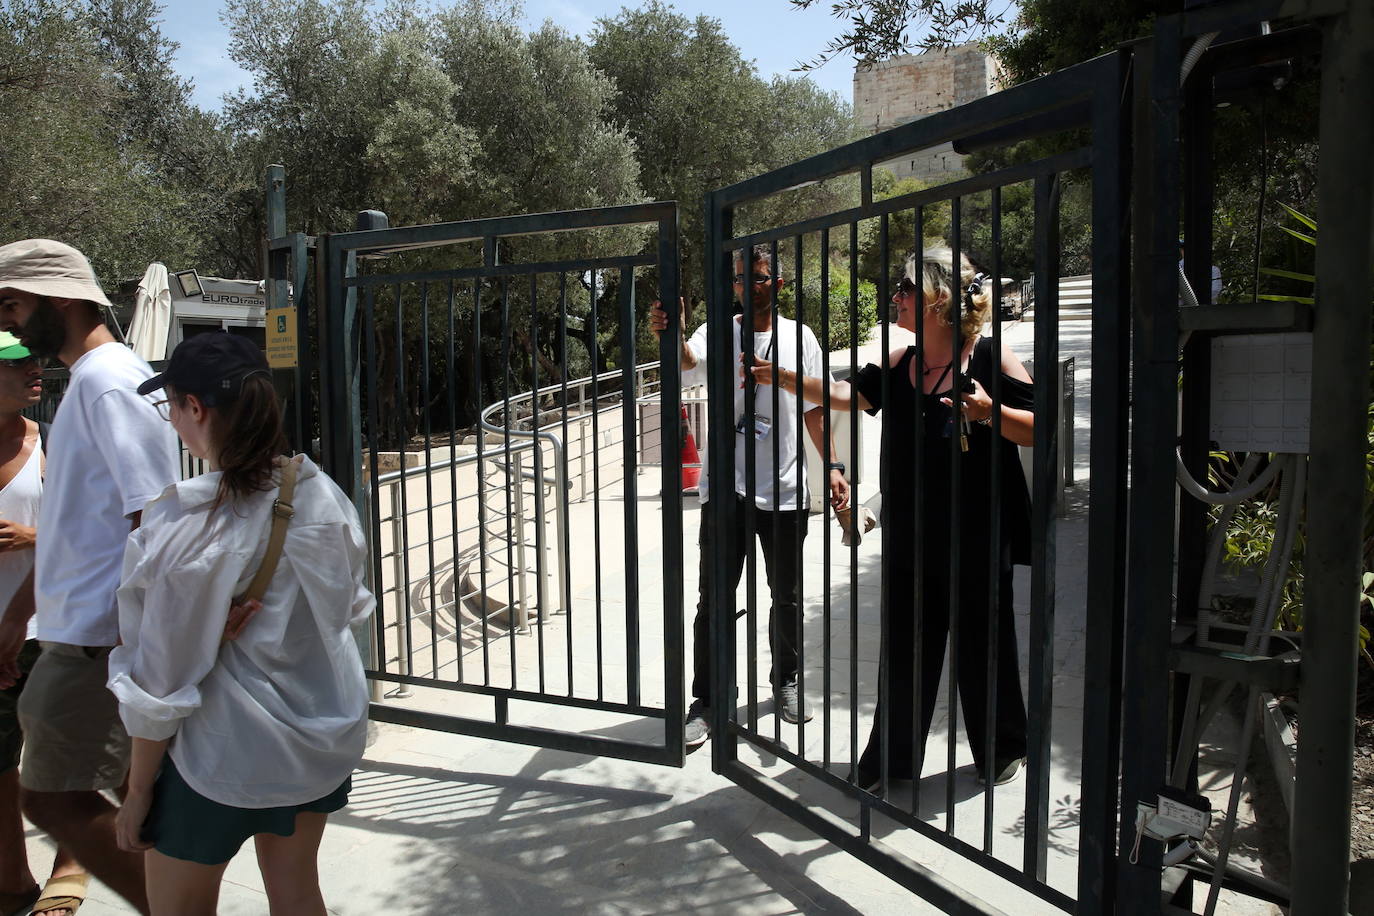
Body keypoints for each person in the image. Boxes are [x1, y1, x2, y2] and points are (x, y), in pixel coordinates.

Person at [108, 332, 374, 915]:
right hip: (314, 745)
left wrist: (137, 791)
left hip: (215, 758)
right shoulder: (324, 497)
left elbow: (161, 676)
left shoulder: (188, 526)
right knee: (298, 893)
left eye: (172, 406)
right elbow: (350, 609)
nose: (174, 420)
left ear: (194, 408)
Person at [751, 246, 1034, 789]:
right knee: (906, 650)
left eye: (906, 289)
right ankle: (891, 763)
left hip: (977, 534)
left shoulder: (991, 358)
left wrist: (987, 413)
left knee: (984, 644)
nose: (896, 298)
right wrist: (783, 379)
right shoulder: (897, 362)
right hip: (912, 536)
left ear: (938, 298)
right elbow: (841, 395)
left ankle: (1003, 747)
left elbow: (1038, 425)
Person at [0, 239, 179, 915]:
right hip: (78, 631)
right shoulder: (94, 381)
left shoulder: (107, 382)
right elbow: (82, 525)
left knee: (50, 795)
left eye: (13, 304)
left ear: (62, 298)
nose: (9, 323)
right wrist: (24, 615)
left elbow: (155, 516)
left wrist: (133, 639)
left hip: (100, 637)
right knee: (86, 796)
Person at [651, 244, 849, 748]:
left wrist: (831, 465)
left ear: (778, 284)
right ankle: (710, 701)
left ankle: (786, 680)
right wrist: (670, 333)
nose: (744, 287)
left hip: (782, 489)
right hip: (726, 491)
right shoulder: (720, 332)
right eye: (737, 280)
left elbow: (813, 407)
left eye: (755, 279)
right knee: (712, 600)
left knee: (786, 597)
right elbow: (688, 363)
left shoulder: (798, 338)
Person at [0, 331, 89, 916]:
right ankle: (12, 881)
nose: (35, 369)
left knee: (64, 754)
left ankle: (72, 864)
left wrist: (35, 537)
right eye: (17, 362)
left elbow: (89, 532)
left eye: (34, 359)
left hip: (45, 628)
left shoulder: (52, 441)